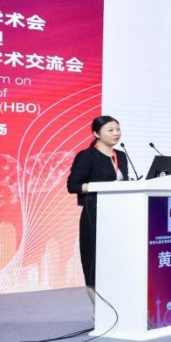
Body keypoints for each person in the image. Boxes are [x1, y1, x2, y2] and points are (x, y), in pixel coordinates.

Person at [66, 116, 129, 307]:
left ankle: (119, 306)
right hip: (94, 214)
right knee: (93, 263)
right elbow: (73, 186)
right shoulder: (87, 156)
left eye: (118, 129)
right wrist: (102, 187)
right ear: (96, 134)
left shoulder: (121, 155)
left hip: (119, 216)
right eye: (110, 130)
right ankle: (101, 312)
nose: (116, 133)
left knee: (116, 262)